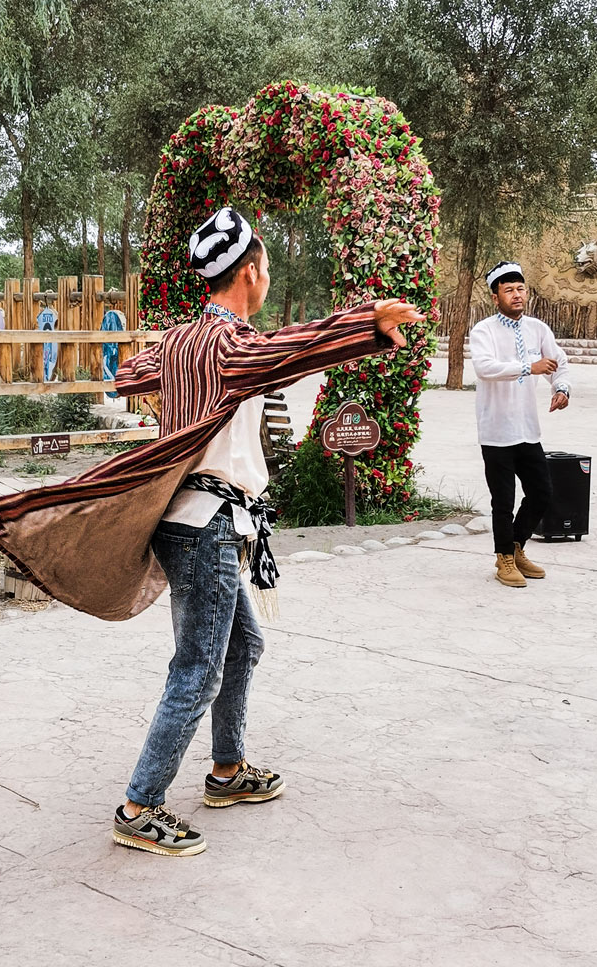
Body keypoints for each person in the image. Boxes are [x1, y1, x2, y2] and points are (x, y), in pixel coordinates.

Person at [105, 207, 426, 856]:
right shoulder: (231, 344)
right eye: (268, 265)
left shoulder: (180, 343)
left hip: (189, 520)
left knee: (240, 646)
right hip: (207, 525)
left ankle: (226, 771)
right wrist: (365, 325)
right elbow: (294, 347)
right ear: (250, 271)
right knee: (197, 668)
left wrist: (178, 389)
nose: (270, 274)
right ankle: (140, 805)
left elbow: (126, 376)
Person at [470, 260, 571, 588]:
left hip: (528, 429)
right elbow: (486, 368)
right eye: (508, 290)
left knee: (542, 492)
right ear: (495, 296)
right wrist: (530, 367)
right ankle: (503, 560)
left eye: (520, 289)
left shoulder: (538, 329)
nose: (516, 295)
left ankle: (516, 547)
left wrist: (561, 387)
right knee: (503, 500)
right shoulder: (484, 330)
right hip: (496, 430)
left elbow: (559, 363)